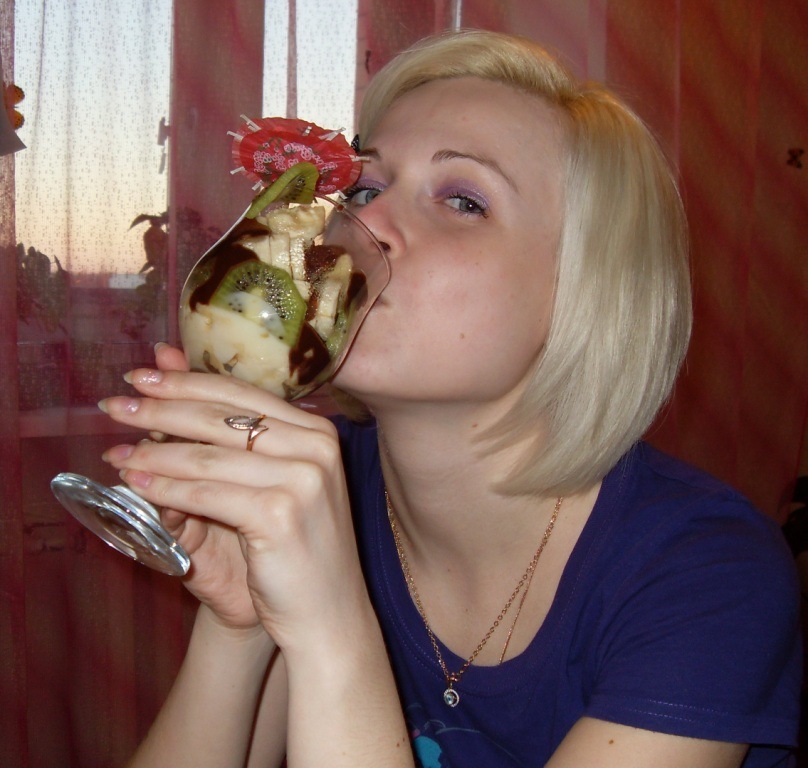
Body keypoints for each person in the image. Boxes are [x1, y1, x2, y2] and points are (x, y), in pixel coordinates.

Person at [100, 29, 800, 768]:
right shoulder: (320, 489)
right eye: (365, 189)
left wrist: (332, 624)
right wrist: (239, 626)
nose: (365, 225)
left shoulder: (707, 574)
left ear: (585, 293)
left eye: (463, 200)